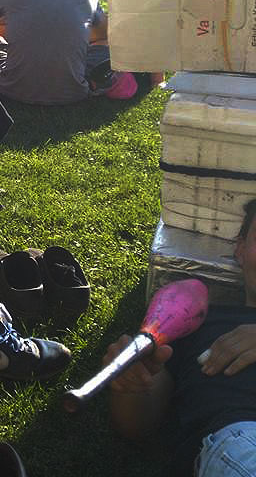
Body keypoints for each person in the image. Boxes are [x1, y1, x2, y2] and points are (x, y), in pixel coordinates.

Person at [104, 199, 256, 476]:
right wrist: (129, 384)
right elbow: (138, 426)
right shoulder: (197, 324)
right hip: (242, 442)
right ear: (240, 249)